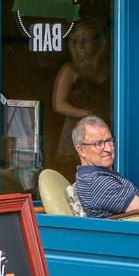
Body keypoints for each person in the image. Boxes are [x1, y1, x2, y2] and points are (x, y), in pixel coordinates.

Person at [51, 19, 111, 169]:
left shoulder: (111, 68)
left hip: (105, 128)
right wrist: (89, 114)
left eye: (85, 40)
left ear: (98, 42)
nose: (81, 46)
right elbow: (59, 105)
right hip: (77, 130)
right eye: (76, 41)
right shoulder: (70, 70)